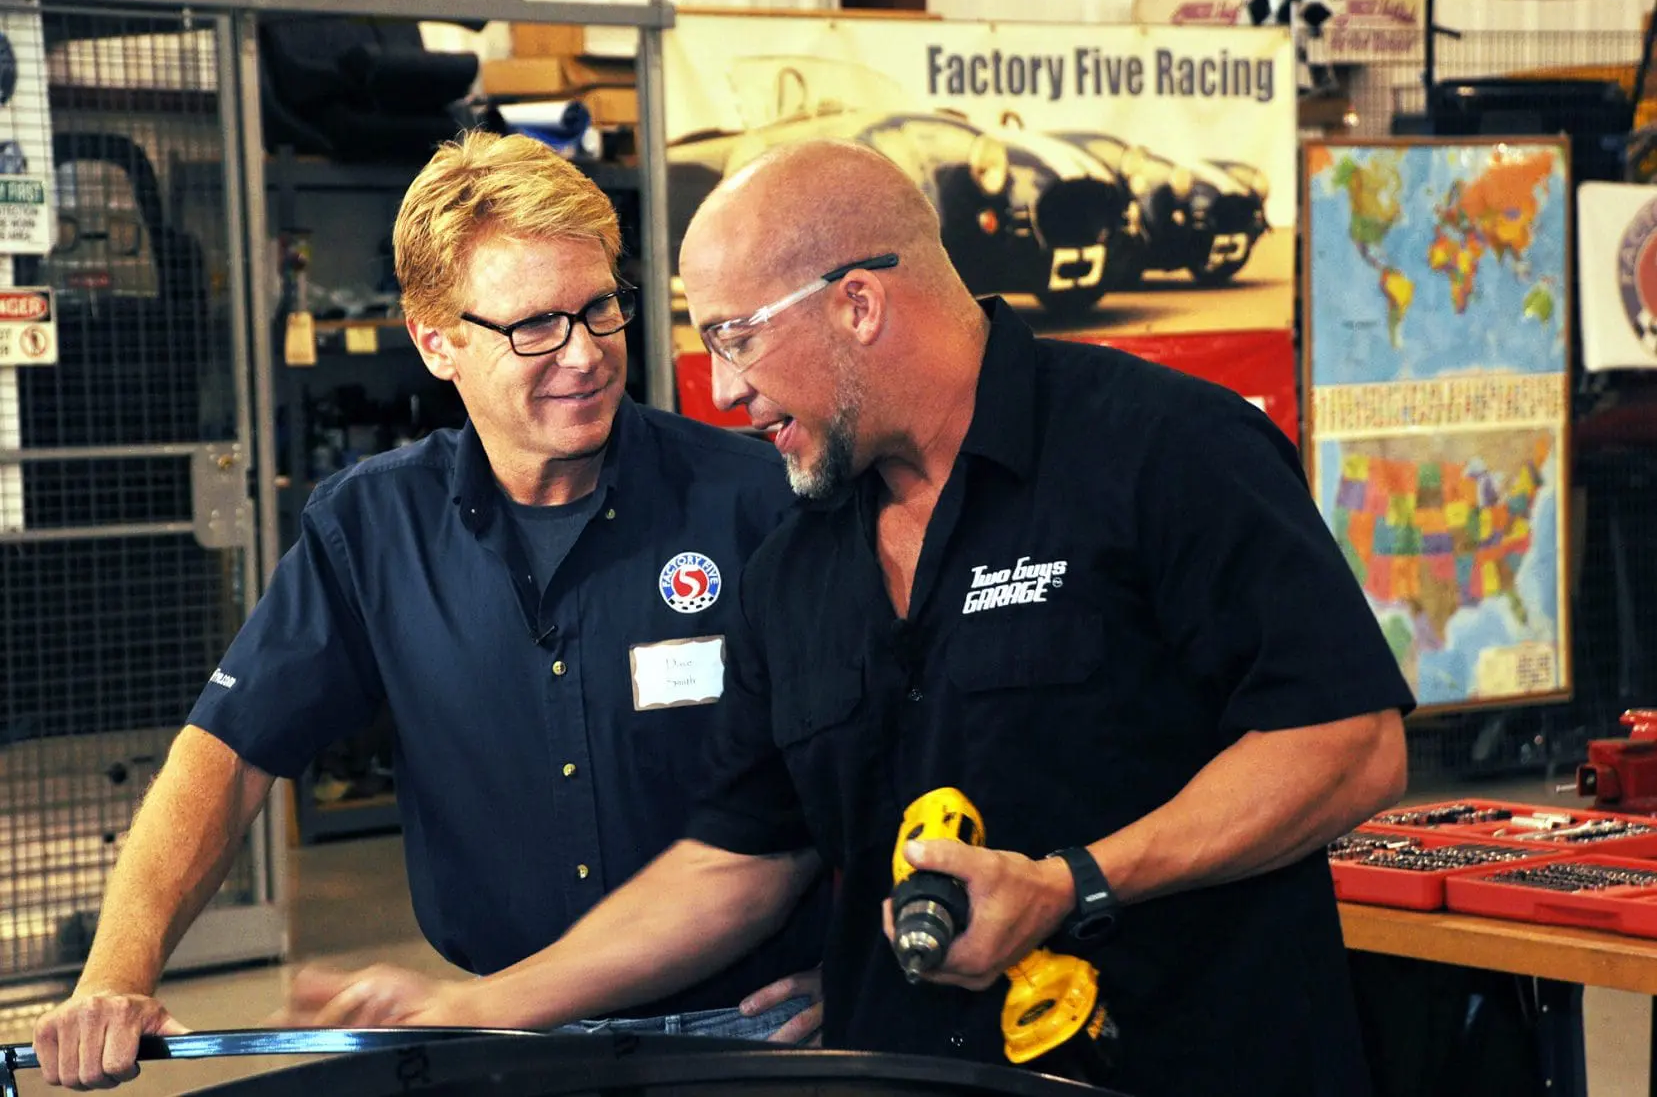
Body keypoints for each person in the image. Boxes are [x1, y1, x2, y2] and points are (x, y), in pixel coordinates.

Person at [273, 138, 1414, 1097]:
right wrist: (477, 1004)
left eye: (734, 336)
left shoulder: (1165, 451)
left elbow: (1349, 745)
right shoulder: (797, 561)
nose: (723, 388)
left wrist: (1073, 880)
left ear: (857, 303)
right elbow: (737, 860)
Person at [29, 130, 831, 1091]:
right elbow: (227, 757)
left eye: (599, 309)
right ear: (435, 341)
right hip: (500, 1048)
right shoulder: (372, 528)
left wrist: (868, 957)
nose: (584, 354)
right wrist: (114, 976)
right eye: (534, 326)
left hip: (751, 1033)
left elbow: (890, 745)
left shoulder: (757, 501)